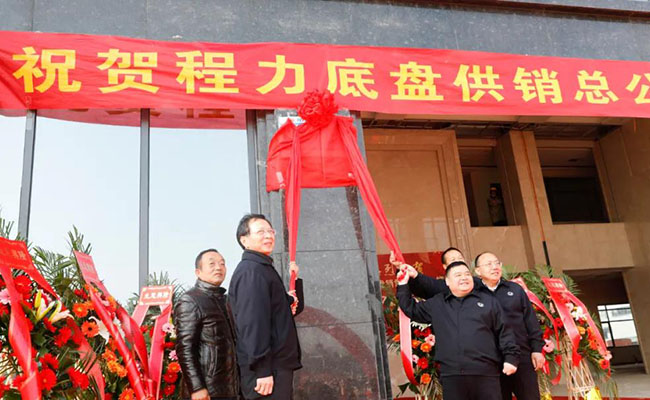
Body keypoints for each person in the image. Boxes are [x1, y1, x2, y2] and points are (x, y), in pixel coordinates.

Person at [397, 261, 520, 400]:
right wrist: (403, 284)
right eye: (458, 275)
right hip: (452, 376)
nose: (464, 278)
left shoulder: (488, 301)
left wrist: (511, 358)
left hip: (486, 374)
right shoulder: (438, 303)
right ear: (447, 282)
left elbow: (505, 331)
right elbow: (411, 309)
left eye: (467, 274)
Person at [229, 214, 304, 399]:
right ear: (244, 240)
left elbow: (285, 312)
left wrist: (295, 281)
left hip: (275, 368)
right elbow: (252, 323)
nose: (268, 235)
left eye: (270, 231)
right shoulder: (251, 272)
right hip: (266, 373)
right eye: (261, 232)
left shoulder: (262, 268)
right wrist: (262, 370)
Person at [473, 252, 544, 400]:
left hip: (521, 356)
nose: (494, 267)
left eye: (497, 263)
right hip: (491, 361)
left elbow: (531, 321)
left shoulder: (515, 289)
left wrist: (537, 349)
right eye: (489, 264)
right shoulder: (473, 294)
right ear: (478, 271)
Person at [175, 249, 239, 400]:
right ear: (198, 272)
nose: (218, 268)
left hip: (229, 387)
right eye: (212, 264)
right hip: (207, 389)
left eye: (222, 264)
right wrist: (197, 387)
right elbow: (185, 348)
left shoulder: (225, 300)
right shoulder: (190, 300)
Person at [393, 247, 465, 299]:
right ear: (445, 266)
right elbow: (426, 285)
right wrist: (401, 267)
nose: (458, 261)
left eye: (460, 258)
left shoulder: (471, 283)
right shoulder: (441, 287)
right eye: (453, 259)